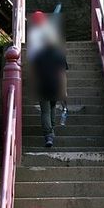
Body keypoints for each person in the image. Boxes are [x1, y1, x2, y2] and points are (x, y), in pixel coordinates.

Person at [27, 12, 68, 147]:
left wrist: (33, 86)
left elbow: (33, 72)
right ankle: (52, 131)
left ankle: (48, 135)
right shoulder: (59, 55)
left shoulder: (38, 55)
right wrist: (64, 90)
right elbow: (62, 74)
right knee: (52, 108)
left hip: (42, 84)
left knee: (45, 110)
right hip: (56, 85)